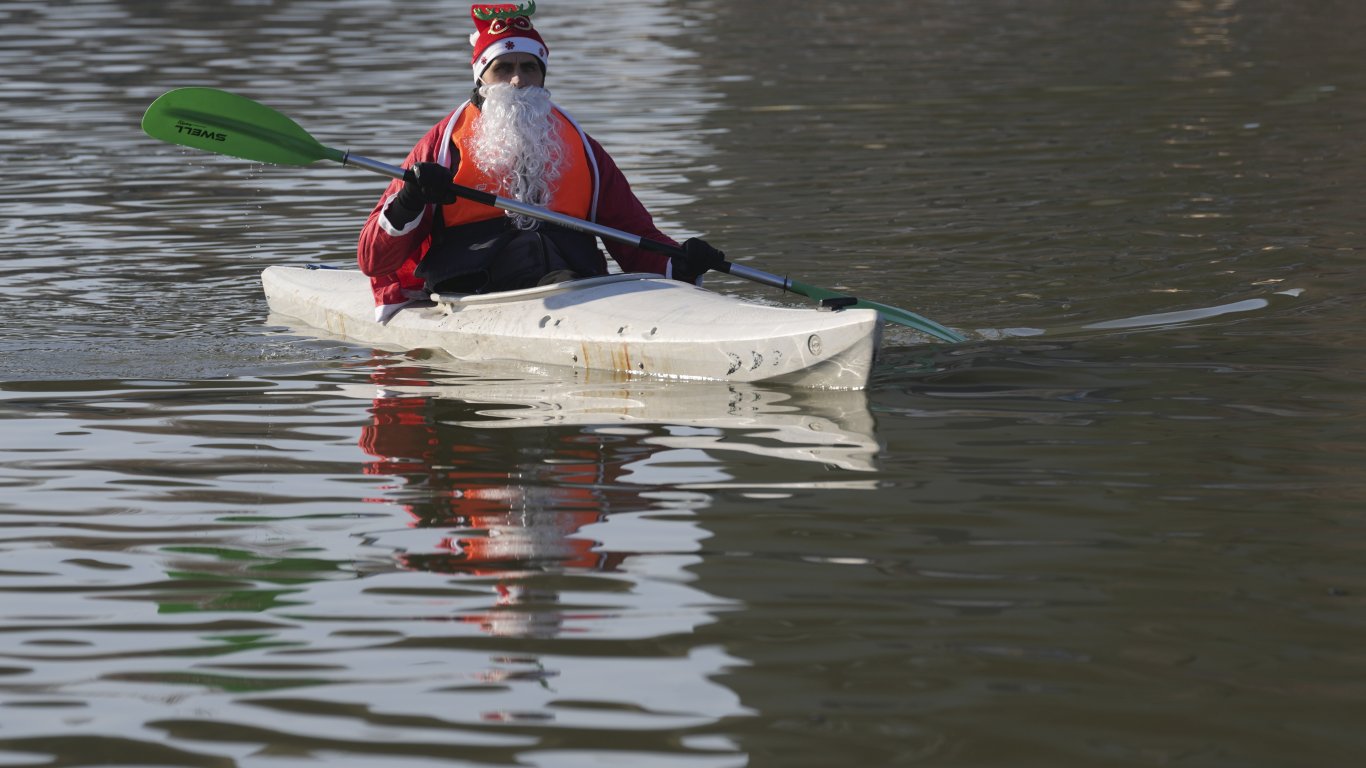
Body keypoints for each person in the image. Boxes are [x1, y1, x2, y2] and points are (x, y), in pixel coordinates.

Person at [357, 1, 726, 322]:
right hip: (478, 293)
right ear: (481, 78)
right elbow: (372, 259)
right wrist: (411, 198)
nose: (518, 80)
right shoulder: (441, 145)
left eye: (529, 67)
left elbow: (633, 236)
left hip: (578, 285)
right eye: (503, 68)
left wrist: (680, 262)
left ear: (542, 74)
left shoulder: (581, 146)